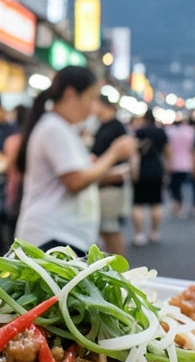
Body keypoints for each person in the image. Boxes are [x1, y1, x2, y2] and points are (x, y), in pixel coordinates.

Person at [15, 66, 135, 254]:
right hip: (52, 236)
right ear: (70, 94)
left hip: (62, 235)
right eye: (91, 98)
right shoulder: (54, 128)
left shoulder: (63, 127)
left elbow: (76, 176)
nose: (93, 107)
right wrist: (114, 154)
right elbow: (75, 181)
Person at [91, 94, 131, 255]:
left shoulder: (116, 126)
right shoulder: (101, 125)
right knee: (106, 228)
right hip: (101, 182)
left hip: (111, 184)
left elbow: (126, 155)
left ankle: (120, 265)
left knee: (109, 228)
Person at [131, 110, 168, 246]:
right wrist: (167, 167)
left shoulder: (139, 132)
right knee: (156, 203)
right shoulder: (161, 132)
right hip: (157, 169)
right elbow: (167, 151)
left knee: (138, 204)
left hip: (141, 170)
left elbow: (134, 152)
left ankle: (139, 234)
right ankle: (154, 233)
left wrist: (133, 171)